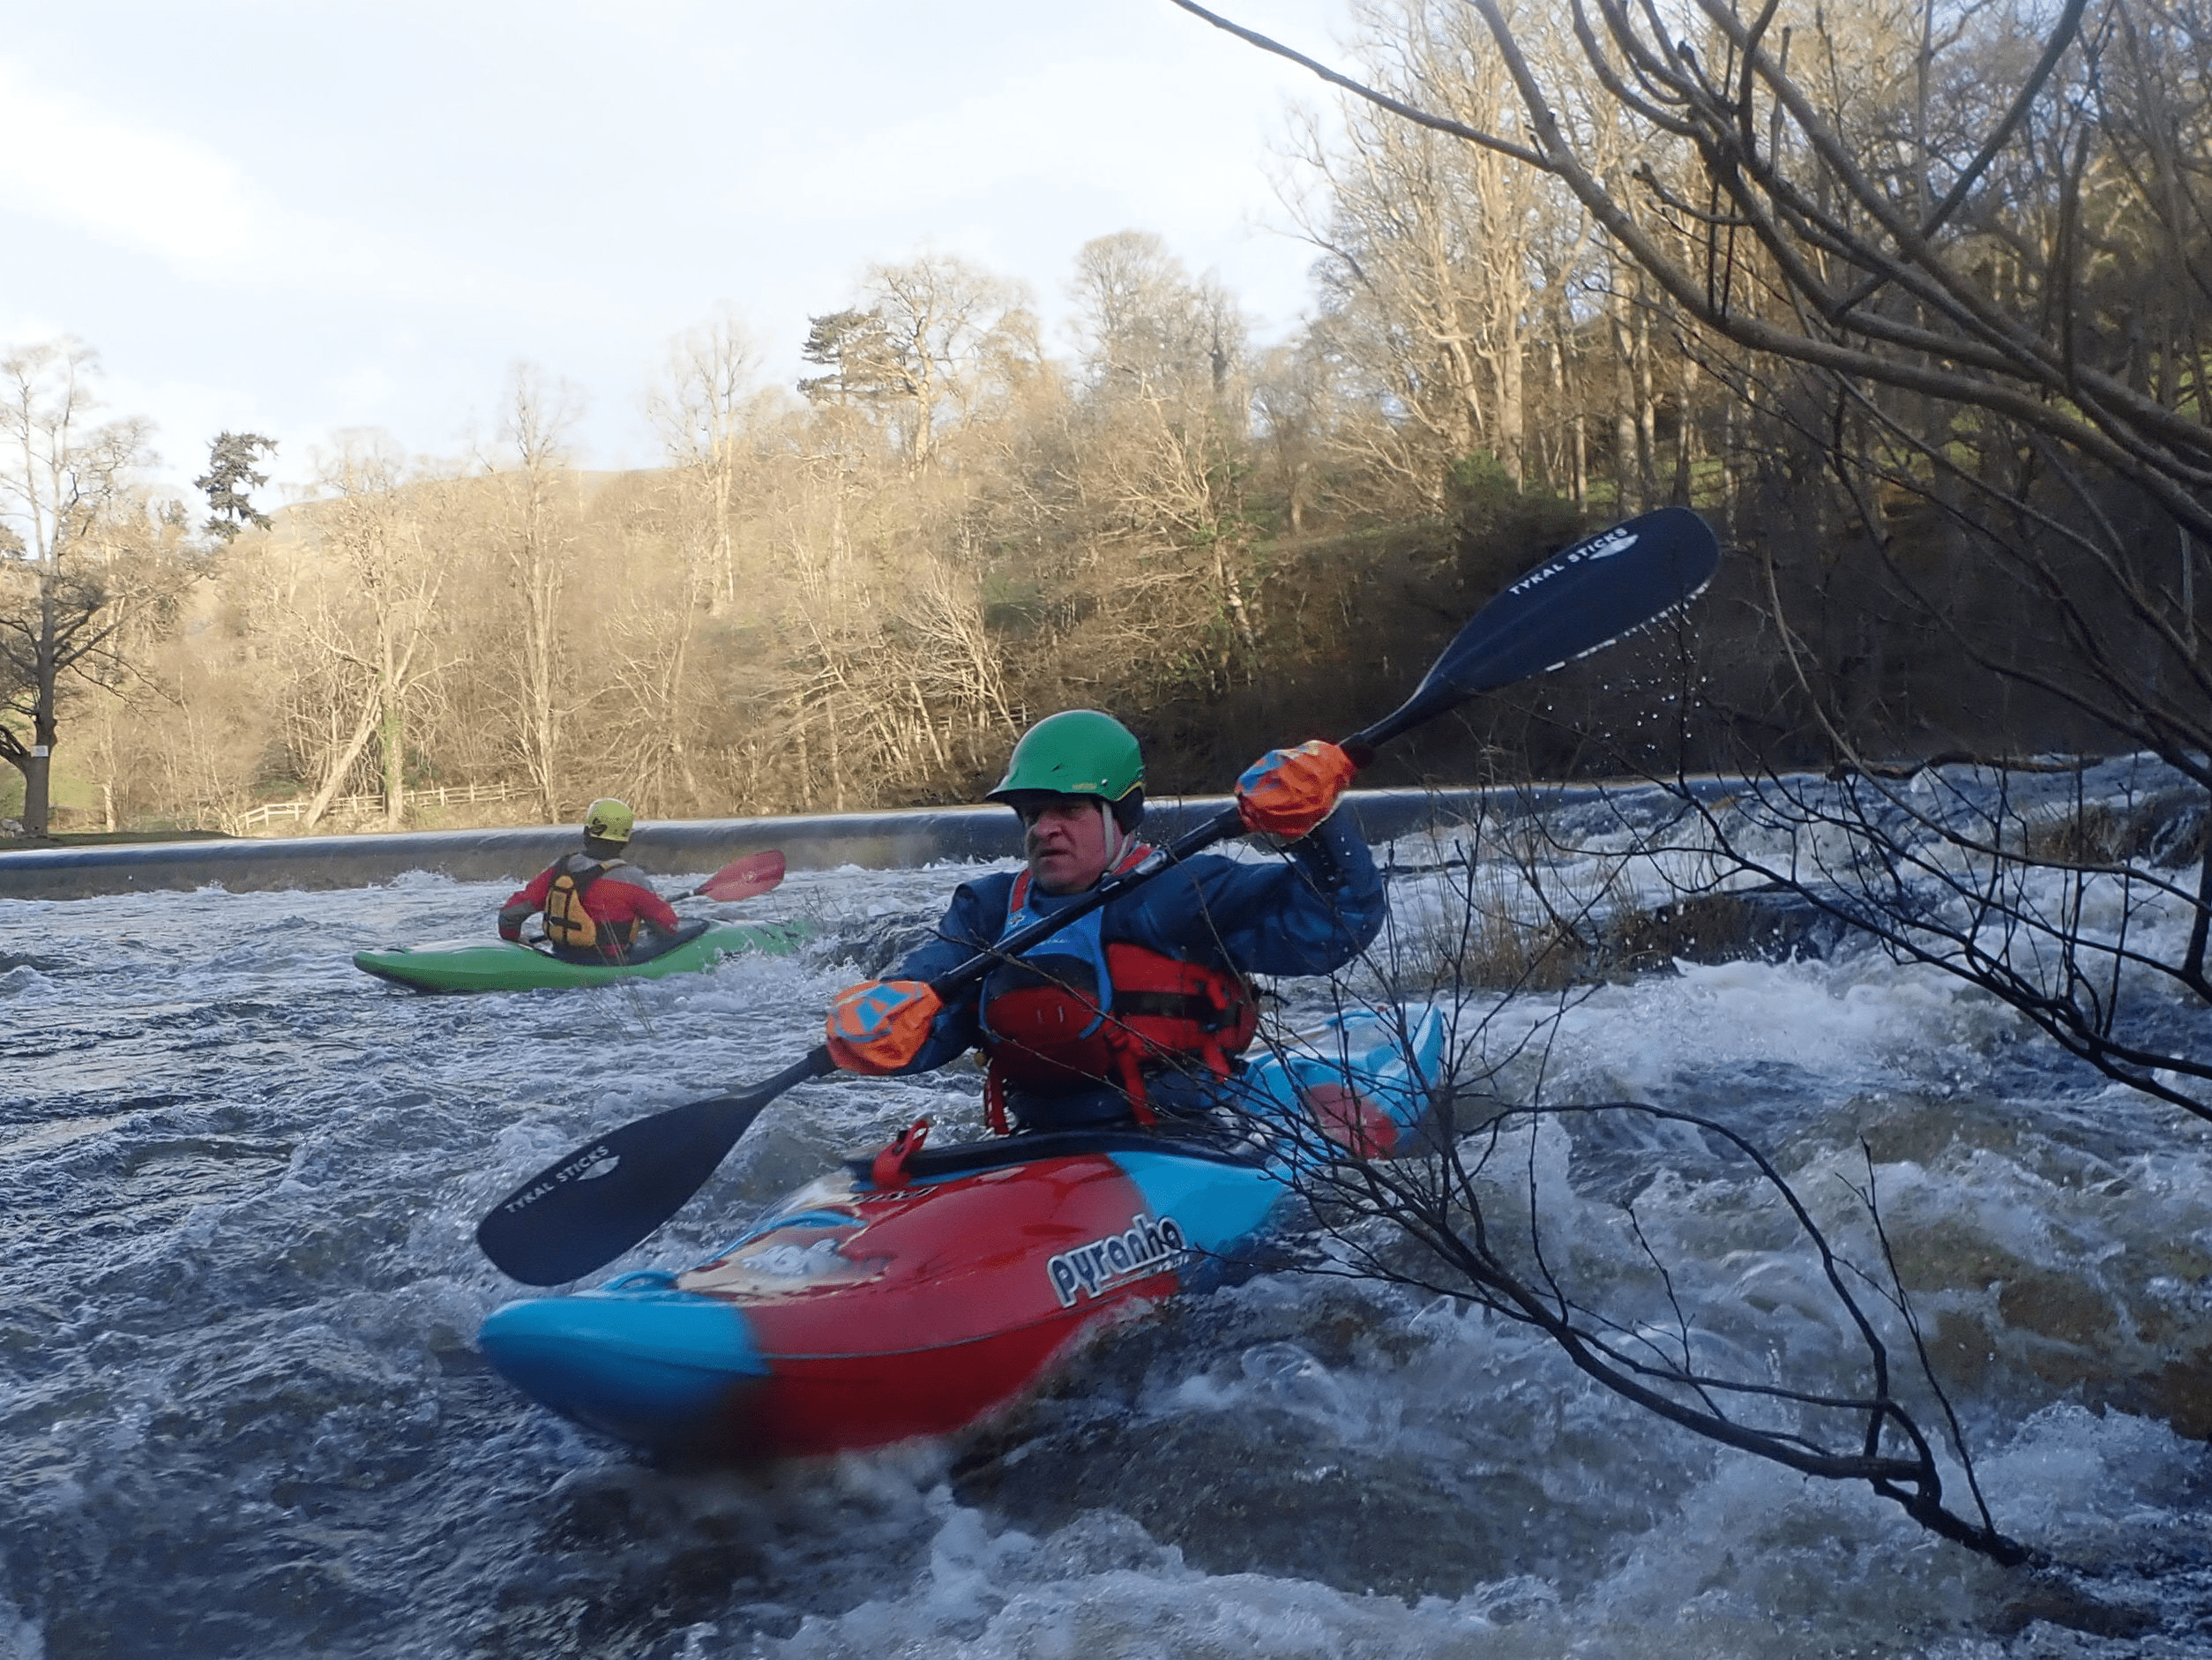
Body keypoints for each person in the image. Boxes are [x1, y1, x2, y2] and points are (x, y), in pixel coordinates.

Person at [822, 710, 1385, 1136]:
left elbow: (1337, 923)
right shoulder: (989, 910)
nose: (1045, 829)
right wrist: (876, 1021)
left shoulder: (1181, 892)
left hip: (1184, 1133)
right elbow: (927, 1008)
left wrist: (1319, 821)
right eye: (1033, 814)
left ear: (1122, 816)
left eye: (1066, 810)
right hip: (1040, 1140)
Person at [497, 797, 694, 963]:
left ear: (586, 833)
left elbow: (509, 914)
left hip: (561, 957)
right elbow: (669, 929)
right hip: (612, 969)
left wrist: (515, 940)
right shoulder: (635, 881)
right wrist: (650, 910)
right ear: (626, 841)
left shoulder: (559, 869)